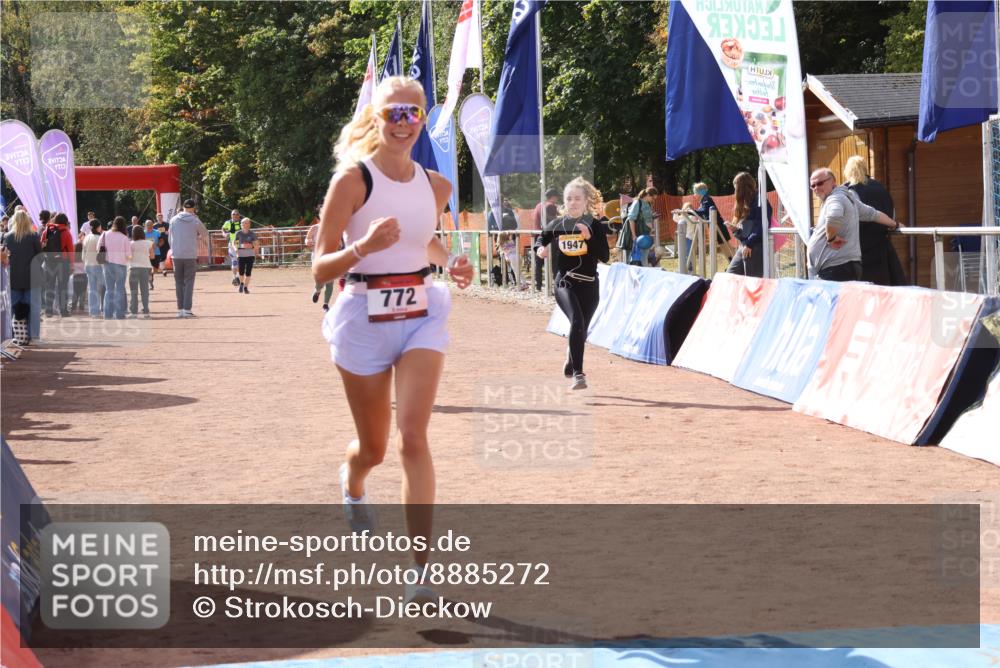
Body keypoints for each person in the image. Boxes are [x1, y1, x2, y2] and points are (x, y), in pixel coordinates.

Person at [312, 76, 473, 602]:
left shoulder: (437, 184)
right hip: (361, 313)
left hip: (421, 310)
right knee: (375, 448)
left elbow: (421, 239)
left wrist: (454, 263)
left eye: (414, 113)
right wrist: (361, 247)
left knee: (413, 435)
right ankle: (353, 480)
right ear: (375, 118)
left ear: (424, 119)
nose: (404, 122)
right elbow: (318, 268)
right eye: (394, 113)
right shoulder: (352, 182)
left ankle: (422, 573)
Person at [535, 177, 610, 390]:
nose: (573, 202)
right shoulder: (557, 224)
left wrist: (588, 238)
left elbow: (604, 256)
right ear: (564, 203)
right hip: (565, 283)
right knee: (576, 320)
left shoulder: (594, 225)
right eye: (569, 199)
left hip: (589, 284)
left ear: (586, 201)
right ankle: (579, 374)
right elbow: (541, 240)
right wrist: (540, 250)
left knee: (581, 329)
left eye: (577, 198)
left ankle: (571, 358)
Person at [807, 168, 902, 281]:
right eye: (813, 186)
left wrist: (831, 238)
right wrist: (895, 224)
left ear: (833, 181)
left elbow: (834, 216)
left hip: (835, 269)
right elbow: (873, 214)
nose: (816, 188)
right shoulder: (848, 199)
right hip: (840, 267)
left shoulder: (835, 198)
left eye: (820, 183)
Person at [843, 156, 905, 286]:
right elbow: (891, 215)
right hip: (882, 248)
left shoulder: (849, 191)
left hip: (860, 251)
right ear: (865, 168)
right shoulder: (880, 188)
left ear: (847, 171)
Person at [2, 210, 43, 345]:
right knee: (33, 308)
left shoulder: (7, 237)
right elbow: (40, 256)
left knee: (13, 308)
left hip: (13, 278)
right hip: (32, 278)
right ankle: (33, 337)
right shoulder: (34, 236)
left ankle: (15, 335)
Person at [724, 172, 773, 277]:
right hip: (745, 245)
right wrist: (735, 229)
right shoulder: (745, 202)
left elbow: (761, 225)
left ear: (741, 188)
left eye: (735, 187)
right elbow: (745, 231)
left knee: (752, 282)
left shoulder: (759, 200)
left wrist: (749, 244)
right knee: (730, 276)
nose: (734, 191)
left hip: (754, 247)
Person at [168, 199, 209, 318]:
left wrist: (174, 249)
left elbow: (170, 238)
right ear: (193, 208)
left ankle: (180, 309)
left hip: (176, 254)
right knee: (189, 282)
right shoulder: (195, 220)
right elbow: (205, 233)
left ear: (183, 207)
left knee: (178, 283)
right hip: (190, 255)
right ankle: (187, 309)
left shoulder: (173, 220)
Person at [39, 210, 73, 316]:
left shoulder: (47, 230)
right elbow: (71, 250)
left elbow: (41, 245)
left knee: (49, 286)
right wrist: (72, 264)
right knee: (63, 287)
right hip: (63, 262)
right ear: (65, 222)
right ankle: (63, 311)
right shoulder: (66, 232)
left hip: (49, 261)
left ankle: (48, 311)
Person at [99, 216, 131, 320]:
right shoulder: (124, 237)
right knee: (120, 290)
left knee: (109, 290)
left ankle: (107, 314)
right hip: (121, 265)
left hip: (107, 264)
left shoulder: (104, 234)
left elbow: (98, 248)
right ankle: (119, 314)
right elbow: (128, 255)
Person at [531, 188, 560, 290]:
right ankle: (556, 286)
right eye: (557, 196)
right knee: (554, 261)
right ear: (553, 197)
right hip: (548, 237)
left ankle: (538, 285)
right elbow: (553, 222)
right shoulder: (550, 206)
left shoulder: (538, 205)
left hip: (537, 236)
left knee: (538, 263)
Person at [621, 187, 657, 266]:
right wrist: (634, 235)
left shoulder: (648, 203)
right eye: (652, 198)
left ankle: (643, 271)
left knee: (644, 256)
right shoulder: (637, 202)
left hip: (644, 233)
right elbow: (631, 219)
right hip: (635, 233)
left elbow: (645, 217)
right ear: (647, 195)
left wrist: (652, 217)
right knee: (632, 256)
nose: (653, 200)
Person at [306, 220, 335, 311]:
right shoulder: (315, 228)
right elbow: (307, 238)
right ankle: (318, 290)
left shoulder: (333, 228)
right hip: (317, 257)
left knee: (330, 282)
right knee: (319, 279)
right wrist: (308, 242)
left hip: (330, 256)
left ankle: (325, 304)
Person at [128, 225, 154, 318]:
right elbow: (152, 257)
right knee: (145, 291)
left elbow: (129, 257)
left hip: (134, 268)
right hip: (145, 268)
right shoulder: (149, 243)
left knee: (134, 291)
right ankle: (146, 311)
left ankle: (134, 313)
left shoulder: (130, 244)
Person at [233, 217, 258, 294]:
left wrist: (252, 246)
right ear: (241, 224)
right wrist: (236, 249)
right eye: (244, 223)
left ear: (249, 224)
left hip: (250, 255)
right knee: (241, 272)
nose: (246, 225)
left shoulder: (252, 234)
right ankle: (241, 284)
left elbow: (256, 245)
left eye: (247, 223)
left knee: (248, 272)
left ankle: (246, 287)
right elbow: (235, 244)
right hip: (241, 255)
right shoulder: (238, 233)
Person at [222, 209, 242, 286]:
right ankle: (234, 277)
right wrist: (224, 234)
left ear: (239, 215)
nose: (235, 216)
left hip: (241, 244)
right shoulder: (228, 223)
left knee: (241, 262)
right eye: (233, 214)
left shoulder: (242, 223)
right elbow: (223, 229)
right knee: (234, 261)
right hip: (232, 244)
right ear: (231, 215)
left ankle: (238, 277)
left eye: (236, 214)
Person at [70, 240, 87, 313]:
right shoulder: (84, 256)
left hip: (76, 276)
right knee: (83, 291)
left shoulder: (73, 256)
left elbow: (71, 268)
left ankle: (74, 305)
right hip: (84, 275)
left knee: (75, 291)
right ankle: (81, 305)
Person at [144, 219, 161, 288]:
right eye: (147, 225)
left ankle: (150, 276)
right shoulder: (143, 233)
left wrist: (157, 245)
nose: (149, 226)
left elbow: (162, 241)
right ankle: (150, 281)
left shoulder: (157, 232)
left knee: (155, 270)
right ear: (145, 226)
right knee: (148, 268)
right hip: (146, 254)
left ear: (153, 225)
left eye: (150, 225)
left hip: (156, 253)